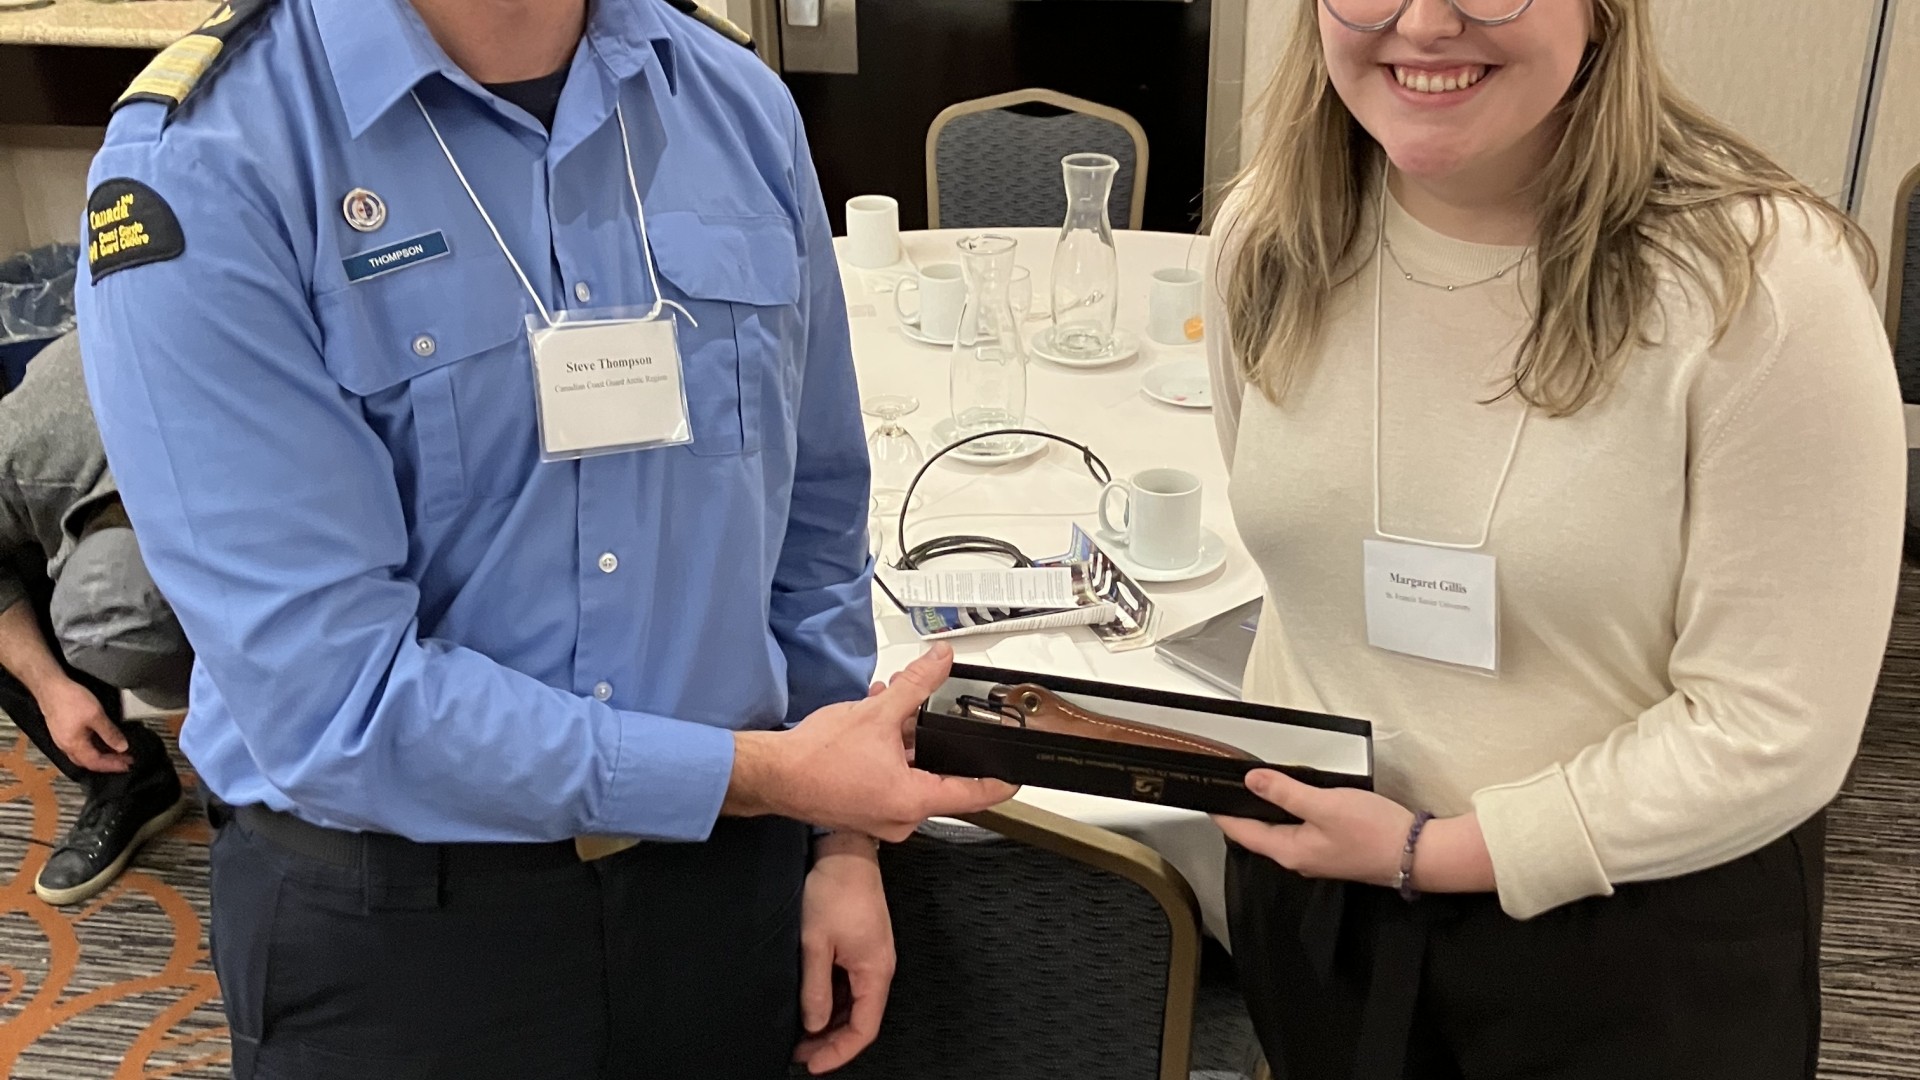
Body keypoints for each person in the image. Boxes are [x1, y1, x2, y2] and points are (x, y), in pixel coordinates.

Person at [75, 1, 1012, 1078]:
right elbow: (331, 696)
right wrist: (761, 778)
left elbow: (814, 523)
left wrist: (840, 845)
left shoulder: (734, 102)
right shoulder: (205, 164)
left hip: (725, 897)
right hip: (409, 937)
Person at [1203, 0, 1904, 1077]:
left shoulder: (1761, 285)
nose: (1424, 23)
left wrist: (1431, 854)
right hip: (1328, 905)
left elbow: (1775, 725)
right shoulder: (1272, 239)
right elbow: (1303, 577)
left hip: (1626, 932)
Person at [0, 330, 190, 906]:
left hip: (229, 458)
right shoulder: (16, 454)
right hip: (68, 452)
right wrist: (51, 688)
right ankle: (126, 779)